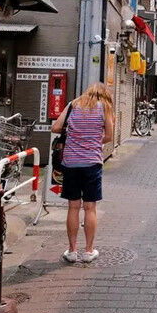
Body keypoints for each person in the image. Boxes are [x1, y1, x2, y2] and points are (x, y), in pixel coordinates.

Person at [51, 83, 115, 264]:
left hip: (70, 162)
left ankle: (72, 251)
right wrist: (94, 139)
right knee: (90, 207)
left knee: (73, 207)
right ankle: (88, 251)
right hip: (91, 163)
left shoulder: (73, 105)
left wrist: (74, 135)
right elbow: (109, 136)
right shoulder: (105, 108)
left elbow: (55, 127)